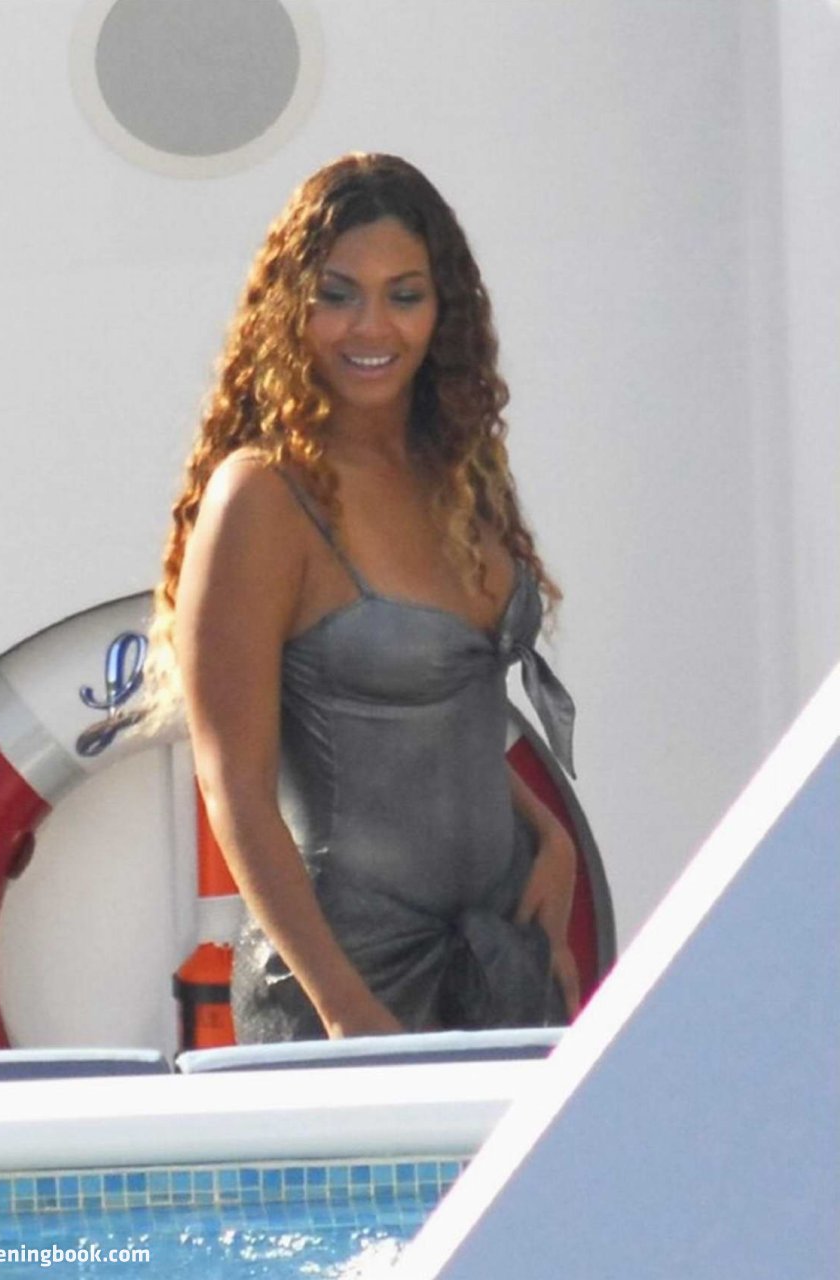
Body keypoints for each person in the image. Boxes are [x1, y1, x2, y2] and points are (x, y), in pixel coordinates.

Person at [146, 153, 580, 1041]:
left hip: (499, 960)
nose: (371, 326)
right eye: (337, 295)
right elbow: (234, 786)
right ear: (289, 308)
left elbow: (436, 714)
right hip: (343, 987)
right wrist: (348, 1015)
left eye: (404, 295)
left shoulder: (456, 471)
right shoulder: (262, 497)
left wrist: (550, 837)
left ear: (443, 308)